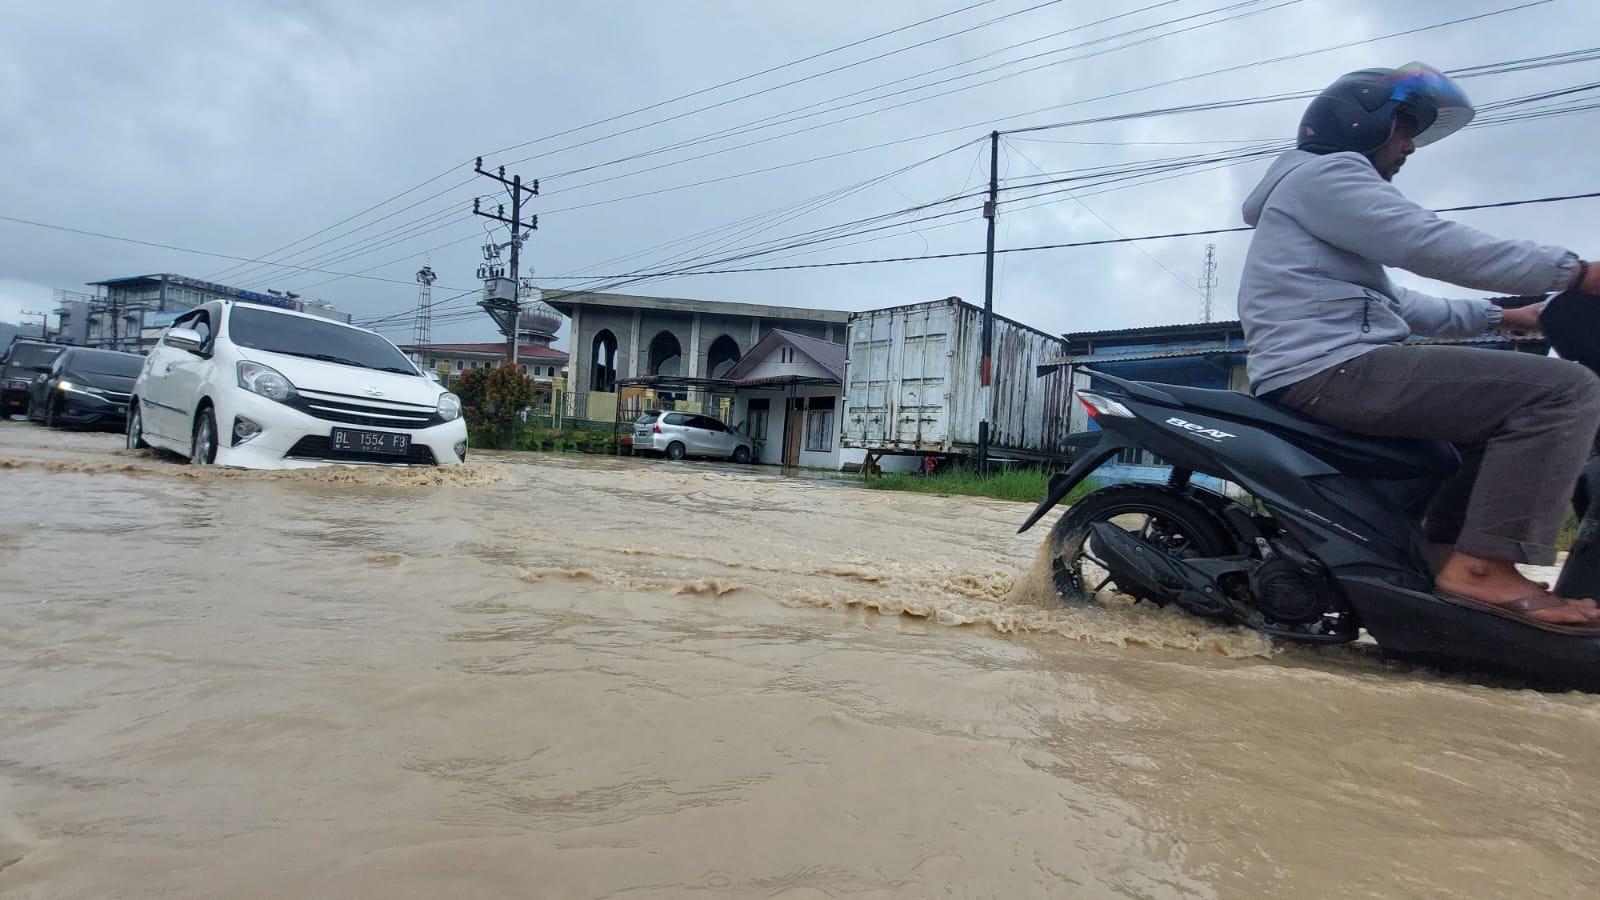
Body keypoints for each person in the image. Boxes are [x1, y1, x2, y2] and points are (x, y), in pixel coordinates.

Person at [1236, 62, 1600, 627]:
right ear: (1361, 122)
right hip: (1332, 370)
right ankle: (1480, 569)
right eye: (1404, 129)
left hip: (1328, 366)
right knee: (1565, 391)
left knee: (1495, 414)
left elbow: (1402, 306)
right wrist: (1574, 272)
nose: (1409, 147)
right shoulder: (1327, 176)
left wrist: (1510, 317)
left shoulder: (1315, 196)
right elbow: (1432, 244)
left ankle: (1446, 556)